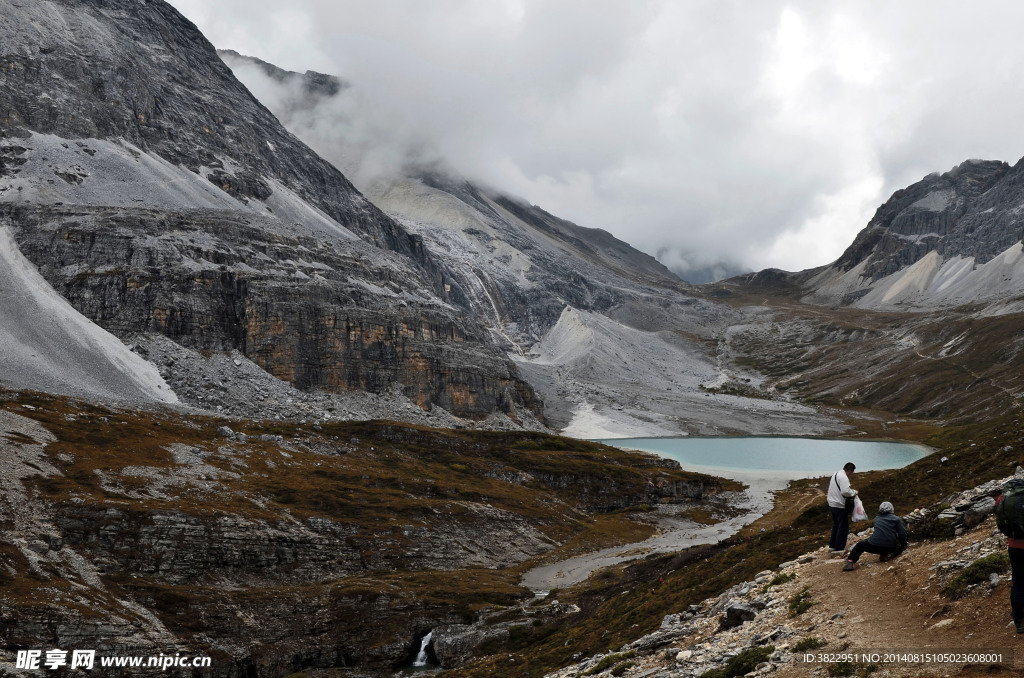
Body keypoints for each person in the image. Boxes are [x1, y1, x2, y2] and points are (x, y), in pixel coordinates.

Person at [843, 501, 907, 571]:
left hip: (874, 546)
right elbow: (902, 534)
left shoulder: (876, 519)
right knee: (892, 541)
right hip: (890, 547)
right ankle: (885, 555)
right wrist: (903, 546)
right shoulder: (897, 519)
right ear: (892, 509)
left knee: (860, 545)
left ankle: (850, 562)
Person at [827, 462, 857, 554]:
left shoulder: (836, 474)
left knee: (836, 524)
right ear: (849, 471)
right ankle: (839, 548)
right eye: (852, 472)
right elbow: (845, 491)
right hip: (839, 505)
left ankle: (832, 546)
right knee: (843, 526)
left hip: (832, 503)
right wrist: (854, 492)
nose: (851, 475)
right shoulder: (843, 477)